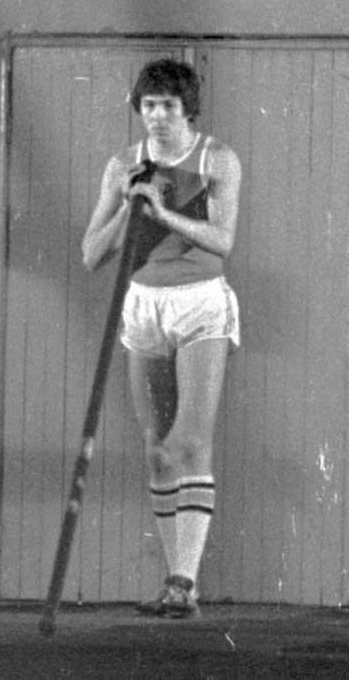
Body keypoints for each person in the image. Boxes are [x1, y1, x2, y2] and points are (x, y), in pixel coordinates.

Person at [82, 58, 241, 619]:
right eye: (149, 105)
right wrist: (130, 208)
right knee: (156, 450)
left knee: (190, 443)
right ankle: (178, 588)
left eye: (169, 106)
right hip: (143, 304)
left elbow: (221, 241)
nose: (157, 116)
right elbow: (91, 255)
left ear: (187, 109)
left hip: (199, 301)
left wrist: (164, 213)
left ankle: (183, 578)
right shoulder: (123, 164)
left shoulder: (216, 158)